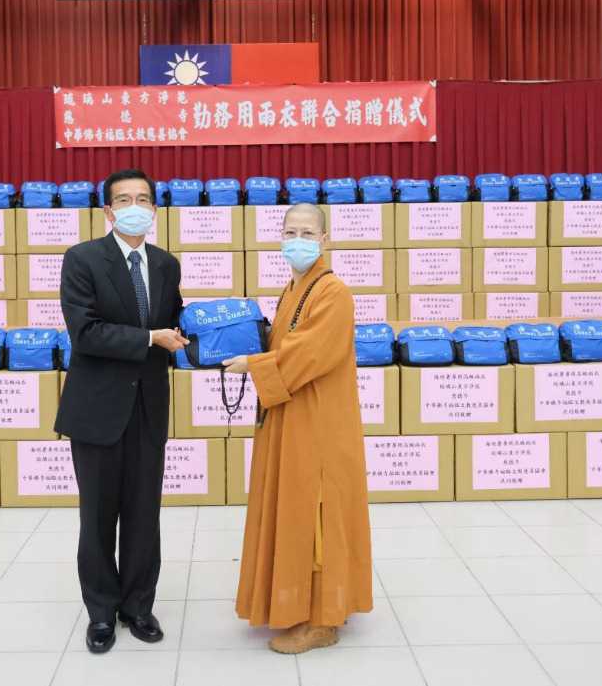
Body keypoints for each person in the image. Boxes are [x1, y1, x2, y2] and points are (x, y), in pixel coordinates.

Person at [224, 202, 373, 654]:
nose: (299, 240)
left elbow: (309, 353)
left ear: (326, 240)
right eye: (291, 232)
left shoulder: (334, 293)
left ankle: (324, 620)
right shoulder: (294, 288)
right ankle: (295, 605)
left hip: (320, 423)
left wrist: (255, 363)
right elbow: (285, 342)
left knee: (316, 515)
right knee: (293, 508)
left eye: (308, 233)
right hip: (294, 415)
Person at [55, 168, 187, 654]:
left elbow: (176, 322)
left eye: (144, 198)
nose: (136, 205)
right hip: (97, 409)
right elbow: (85, 332)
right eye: (125, 199)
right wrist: (151, 339)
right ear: (109, 211)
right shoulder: (83, 259)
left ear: (154, 208)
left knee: (142, 514)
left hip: (148, 406)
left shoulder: (167, 264)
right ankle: (101, 613)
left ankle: (138, 605)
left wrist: (222, 333)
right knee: (97, 516)